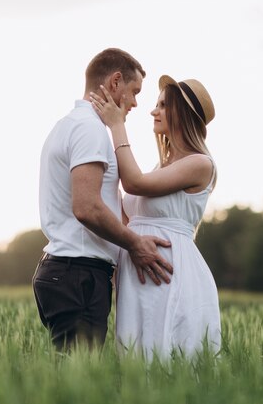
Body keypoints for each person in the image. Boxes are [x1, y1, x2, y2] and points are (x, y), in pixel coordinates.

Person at [33, 48, 174, 351]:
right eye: (134, 91)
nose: (136, 102)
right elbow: (86, 207)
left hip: (65, 272)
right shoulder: (90, 130)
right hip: (78, 276)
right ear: (115, 81)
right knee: (78, 385)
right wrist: (135, 244)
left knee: (71, 377)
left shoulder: (66, 125)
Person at [89, 75, 222, 359]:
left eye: (163, 105)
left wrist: (117, 124)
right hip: (138, 276)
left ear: (183, 115)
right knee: (137, 360)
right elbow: (123, 213)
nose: (153, 111)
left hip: (170, 272)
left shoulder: (200, 164)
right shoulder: (158, 167)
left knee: (169, 358)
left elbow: (133, 184)